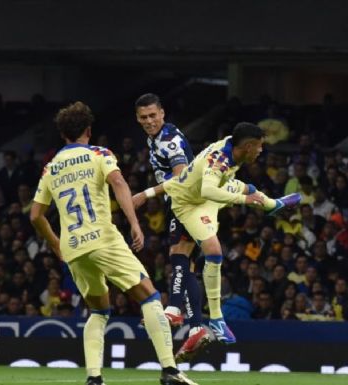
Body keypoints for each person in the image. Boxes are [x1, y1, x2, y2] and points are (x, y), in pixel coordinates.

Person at [30, 102, 196, 385]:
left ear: (63, 134)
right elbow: (118, 182)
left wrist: (57, 245)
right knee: (150, 296)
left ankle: (94, 378)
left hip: (73, 247)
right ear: (88, 130)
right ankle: (170, 371)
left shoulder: (51, 168)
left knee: (98, 310)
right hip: (103, 239)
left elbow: (36, 216)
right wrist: (133, 223)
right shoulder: (99, 154)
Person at [133, 122, 300, 346]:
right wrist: (244, 201)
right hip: (190, 204)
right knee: (213, 248)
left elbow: (213, 185)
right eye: (259, 147)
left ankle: (273, 204)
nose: (261, 151)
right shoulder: (219, 160)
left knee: (248, 188)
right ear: (249, 146)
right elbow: (208, 190)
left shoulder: (234, 147)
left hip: (211, 192)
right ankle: (216, 318)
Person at [135, 93, 209, 361]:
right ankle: (197, 328)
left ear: (163, 113)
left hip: (187, 200)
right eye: (144, 117)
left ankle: (175, 309)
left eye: (153, 115)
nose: (149, 121)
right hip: (181, 202)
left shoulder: (169, 140)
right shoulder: (153, 138)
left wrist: (146, 194)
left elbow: (182, 177)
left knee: (178, 255)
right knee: (183, 262)